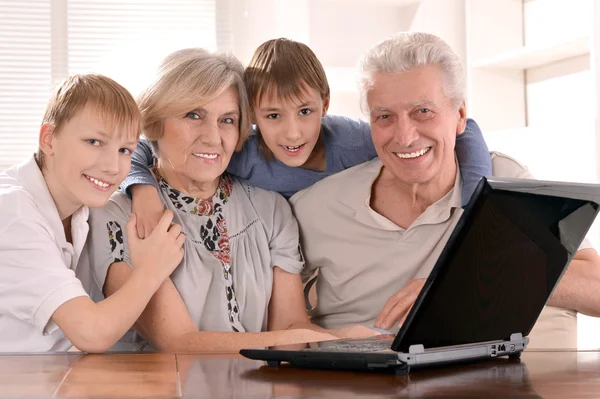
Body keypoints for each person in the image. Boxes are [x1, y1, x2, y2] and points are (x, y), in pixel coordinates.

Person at [290, 32, 600, 349]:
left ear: (460, 116)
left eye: (423, 112)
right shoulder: (317, 206)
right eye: (384, 116)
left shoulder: (504, 183)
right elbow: (269, 319)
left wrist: (460, 283)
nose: (405, 137)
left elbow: (596, 288)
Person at [86, 48, 374, 353]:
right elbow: (179, 343)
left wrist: (353, 339)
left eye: (227, 120)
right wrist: (327, 337)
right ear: (155, 122)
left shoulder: (271, 208)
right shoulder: (118, 217)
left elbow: (290, 326)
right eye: (193, 115)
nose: (213, 137)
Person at [122, 38, 492, 238]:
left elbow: (467, 129)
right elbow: (142, 145)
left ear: (325, 104)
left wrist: (477, 210)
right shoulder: (238, 149)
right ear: (252, 115)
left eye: (305, 111)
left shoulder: (353, 141)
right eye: (272, 116)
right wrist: (143, 191)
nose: (293, 132)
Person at [0, 74, 184, 353]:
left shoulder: (77, 205)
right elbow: (91, 333)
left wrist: (142, 187)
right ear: (49, 140)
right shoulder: (13, 214)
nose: (113, 166)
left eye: (124, 150)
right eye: (94, 142)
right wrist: (152, 270)